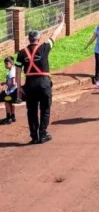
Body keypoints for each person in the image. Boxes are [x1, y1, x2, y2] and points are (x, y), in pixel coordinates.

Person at [15, 13, 65, 144]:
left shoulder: (21, 53)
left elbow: (18, 71)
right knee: (45, 109)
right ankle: (42, 134)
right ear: (38, 39)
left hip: (30, 85)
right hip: (44, 84)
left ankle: (34, 136)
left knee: (31, 111)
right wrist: (61, 22)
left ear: (29, 39)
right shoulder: (44, 47)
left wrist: (19, 87)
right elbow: (54, 35)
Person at [0, 57, 19, 125]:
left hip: (12, 91)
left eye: (7, 64)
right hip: (14, 91)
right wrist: (5, 83)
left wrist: (7, 88)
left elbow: (13, 82)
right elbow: (11, 81)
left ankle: (8, 118)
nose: (5, 65)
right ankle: (13, 117)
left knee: (7, 102)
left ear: (12, 63)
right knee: (11, 103)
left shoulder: (12, 71)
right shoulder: (13, 69)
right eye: (5, 64)